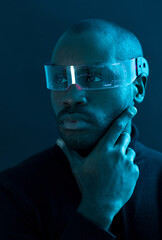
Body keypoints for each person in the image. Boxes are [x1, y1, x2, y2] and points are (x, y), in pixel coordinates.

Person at [0, 18, 161, 240]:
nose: (71, 96)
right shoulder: (12, 193)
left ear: (138, 87)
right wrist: (96, 211)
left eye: (93, 77)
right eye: (60, 78)